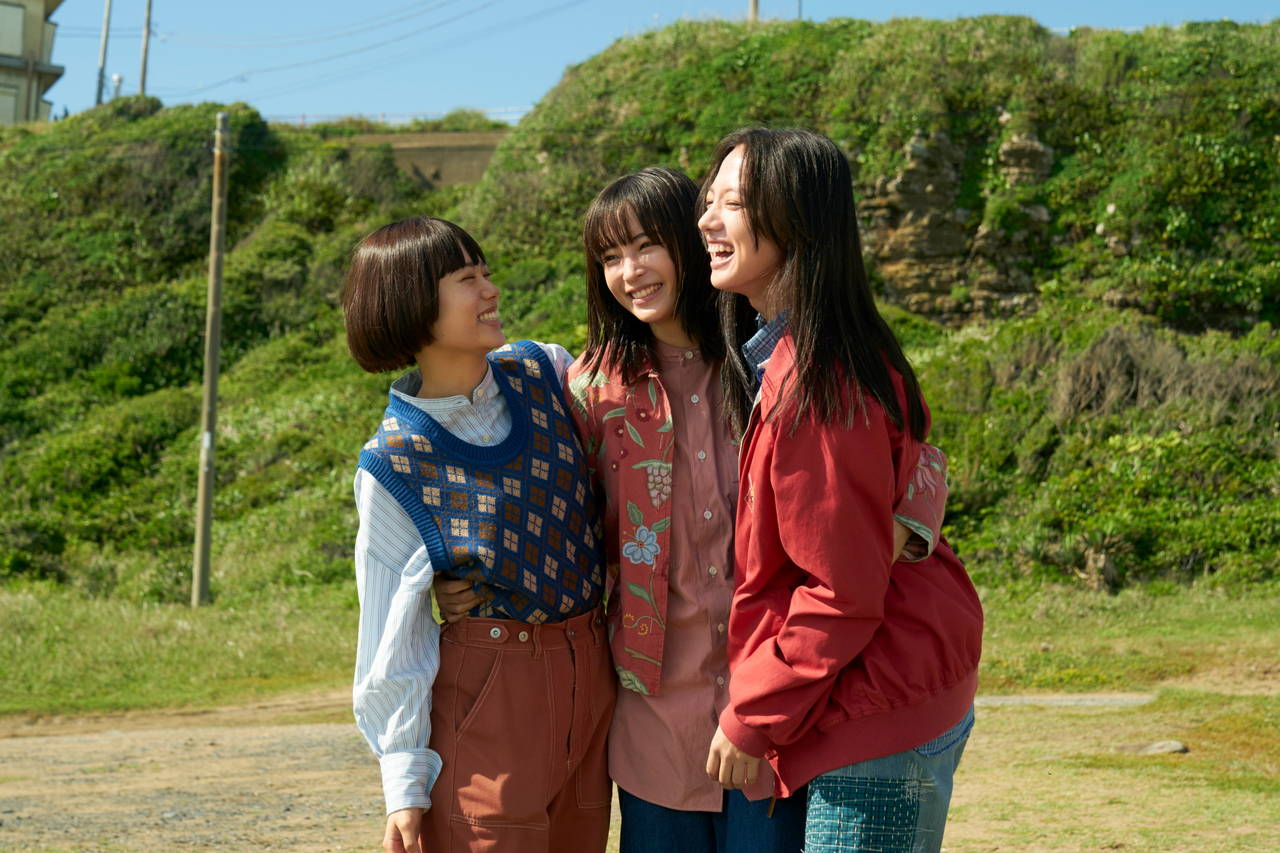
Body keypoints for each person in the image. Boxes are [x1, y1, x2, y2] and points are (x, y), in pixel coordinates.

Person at [561, 166, 952, 852]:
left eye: (647, 245)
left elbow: (913, 453)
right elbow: (563, 516)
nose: (629, 272)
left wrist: (896, 533)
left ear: (692, 241)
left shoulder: (769, 361)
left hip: (781, 711)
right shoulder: (592, 391)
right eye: (610, 257)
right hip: (656, 721)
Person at [697, 129, 984, 853]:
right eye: (709, 200)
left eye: (733, 203)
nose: (707, 220)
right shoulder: (815, 351)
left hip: (877, 699)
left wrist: (751, 714)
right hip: (890, 683)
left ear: (796, 221)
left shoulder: (817, 384)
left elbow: (841, 591)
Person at [342, 216, 615, 853]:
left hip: (593, 681)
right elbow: (393, 631)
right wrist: (404, 782)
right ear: (411, 301)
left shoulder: (545, 371)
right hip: (491, 698)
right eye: (467, 279)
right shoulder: (394, 463)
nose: (491, 289)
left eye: (486, 272)